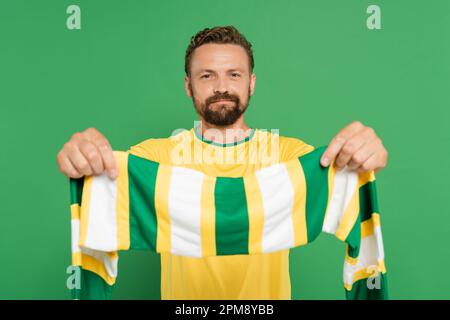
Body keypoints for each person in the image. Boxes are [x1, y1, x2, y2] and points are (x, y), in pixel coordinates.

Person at [57, 26, 388, 299]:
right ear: (188, 86)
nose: (221, 87)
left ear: (251, 83)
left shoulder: (290, 157)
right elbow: (99, 180)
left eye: (233, 74)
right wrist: (81, 157)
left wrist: (367, 153)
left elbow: (348, 174)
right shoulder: (155, 159)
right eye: (206, 76)